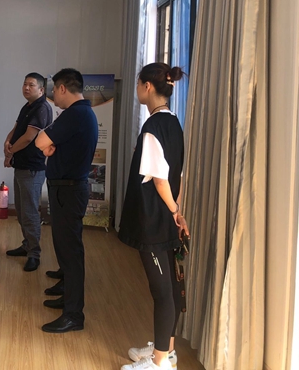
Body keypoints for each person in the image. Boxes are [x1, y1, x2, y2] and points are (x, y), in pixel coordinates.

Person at [118, 63, 190, 370]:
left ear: (147, 86)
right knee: (169, 288)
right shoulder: (173, 122)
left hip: (154, 220)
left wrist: (173, 211)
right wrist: (178, 211)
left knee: (162, 292)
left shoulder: (153, 128)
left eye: (138, 84)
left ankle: (160, 363)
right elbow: (178, 175)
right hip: (167, 217)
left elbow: (160, 180)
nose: (137, 90)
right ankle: (166, 351)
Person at [35, 68, 98, 333]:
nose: (53, 96)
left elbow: (40, 141)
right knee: (65, 247)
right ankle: (67, 295)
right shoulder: (83, 113)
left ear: (62, 88)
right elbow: (48, 144)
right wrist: (50, 147)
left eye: (54, 90)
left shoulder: (75, 114)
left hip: (69, 191)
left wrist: (48, 146)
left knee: (71, 252)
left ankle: (73, 315)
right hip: (68, 189)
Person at [3, 73, 53, 272]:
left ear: (41, 89)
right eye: (24, 84)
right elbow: (16, 130)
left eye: (31, 85)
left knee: (30, 213)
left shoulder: (42, 108)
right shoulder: (28, 107)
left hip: (32, 168)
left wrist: (10, 151)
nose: (26, 88)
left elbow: (28, 137)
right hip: (21, 166)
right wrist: (7, 143)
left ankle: (34, 254)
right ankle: (27, 245)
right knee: (22, 211)